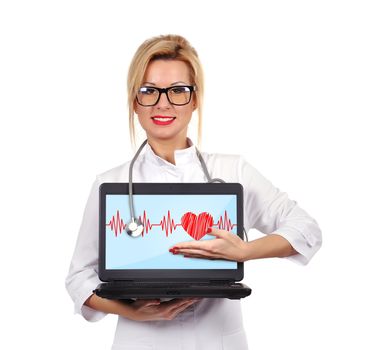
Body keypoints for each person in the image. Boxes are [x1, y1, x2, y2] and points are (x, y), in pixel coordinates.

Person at [65, 34, 322, 350]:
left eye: (178, 91)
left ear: (195, 99)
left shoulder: (233, 172)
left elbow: (306, 229)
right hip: (140, 340)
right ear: (134, 101)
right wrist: (133, 311)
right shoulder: (111, 182)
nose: (163, 103)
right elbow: (79, 278)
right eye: (149, 91)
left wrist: (245, 251)